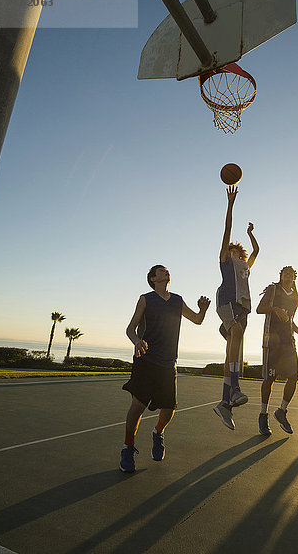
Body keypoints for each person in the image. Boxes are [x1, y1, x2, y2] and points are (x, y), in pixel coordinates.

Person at [120, 265, 210, 472]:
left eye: (167, 270)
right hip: (146, 359)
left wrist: (203, 310)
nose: (166, 272)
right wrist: (136, 341)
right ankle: (128, 448)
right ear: (153, 278)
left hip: (168, 362)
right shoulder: (146, 299)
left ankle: (158, 433)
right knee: (137, 407)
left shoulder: (177, 300)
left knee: (169, 409)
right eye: (161, 271)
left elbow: (196, 320)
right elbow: (130, 329)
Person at [214, 185, 259, 430]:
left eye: (236, 250)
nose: (234, 251)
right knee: (237, 336)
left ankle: (224, 403)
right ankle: (236, 388)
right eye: (231, 249)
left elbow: (256, 251)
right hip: (226, 302)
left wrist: (251, 233)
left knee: (233, 349)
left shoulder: (244, 266)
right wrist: (230, 204)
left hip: (243, 307)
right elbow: (227, 229)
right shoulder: (225, 261)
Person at [256, 266, 298, 435]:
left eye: (291, 273)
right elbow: (259, 309)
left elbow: (289, 320)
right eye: (285, 272)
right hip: (272, 341)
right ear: (281, 275)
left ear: (294, 278)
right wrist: (275, 309)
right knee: (269, 379)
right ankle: (263, 415)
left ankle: (281, 411)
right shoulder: (273, 289)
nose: (288, 275)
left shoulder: (295, 297)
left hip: (288, 342)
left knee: (293, 377)